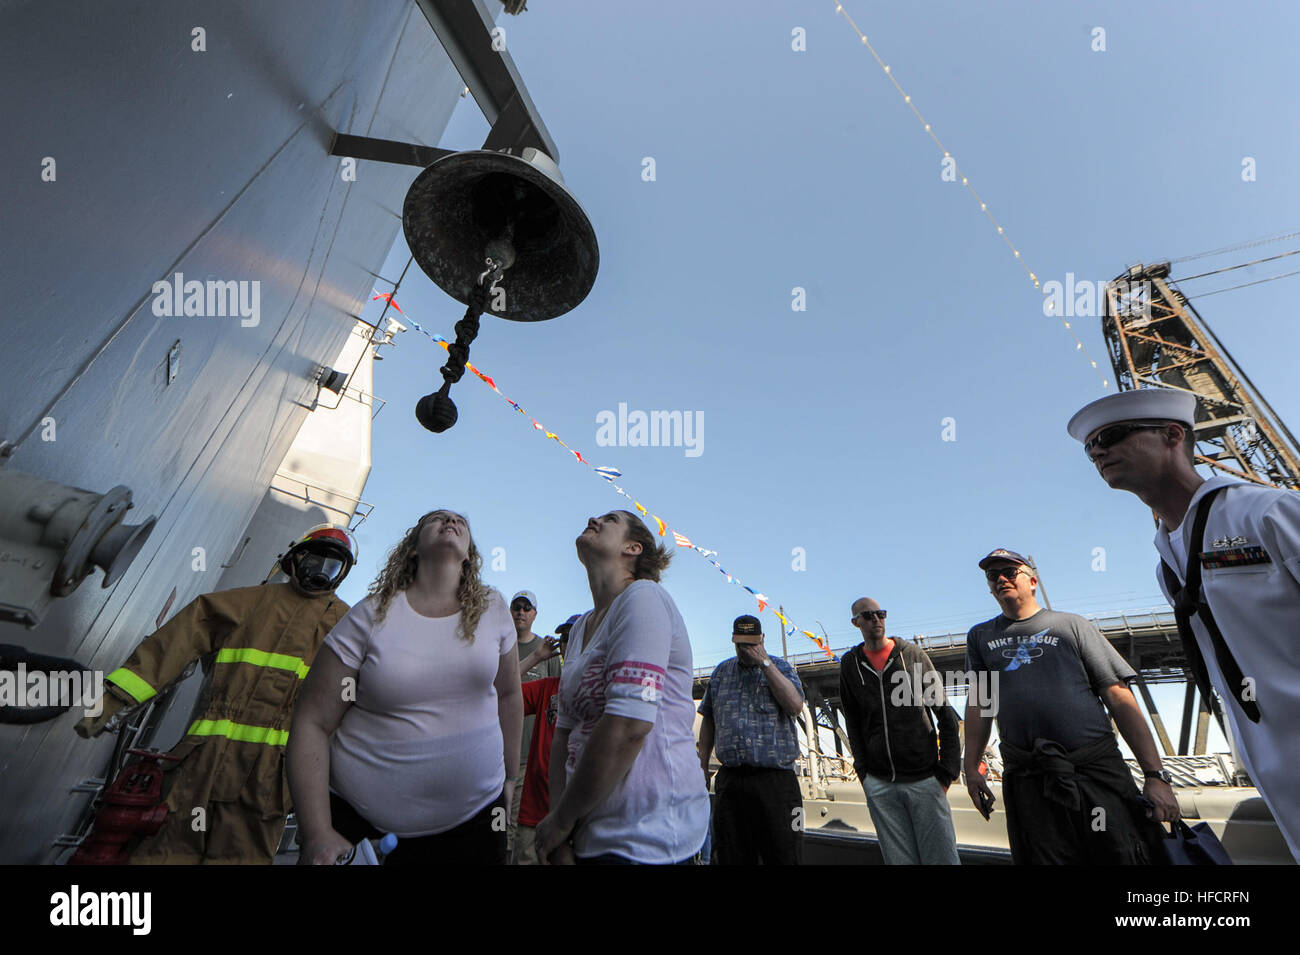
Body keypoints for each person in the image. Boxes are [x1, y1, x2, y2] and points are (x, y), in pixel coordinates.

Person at [1068, 388, 1300, 861]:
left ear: (1173, 435)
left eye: (1111, 436)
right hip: (1275, 770)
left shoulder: (1269, 513)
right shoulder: (1167, 563)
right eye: (1090, 446)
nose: (1097, 452)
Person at [74, 525, 356, 864]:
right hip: (202, 764)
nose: (319, 571)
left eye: (331, 566)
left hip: (269, 780)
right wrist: (116, 699)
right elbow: (175, 642)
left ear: (342, 575)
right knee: (164, 855)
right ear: (293, 559)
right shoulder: (244, 603)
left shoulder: (348, 627)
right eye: (314, 559)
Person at [287, 509, 522, 865]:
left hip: (475, 825)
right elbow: (312, 722)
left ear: (470, 556)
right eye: (436, 519)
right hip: (362, 829)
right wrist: (317, 832)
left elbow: (508, 694)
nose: (450, 521)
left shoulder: (494, 608)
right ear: (412, 549)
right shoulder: (371, 614)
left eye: (460, 521)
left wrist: (509, 777)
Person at [963, 549, 1180, 865]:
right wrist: (971, 768)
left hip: (1094, 771)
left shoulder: (1072, 626)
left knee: (1120, 854)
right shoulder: (980, 636)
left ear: (1033, 580)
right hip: (1029, 778)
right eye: (993, 576)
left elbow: (1118, 697)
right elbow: (980, 704)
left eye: (1010, 572)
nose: (1001, 579)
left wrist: (1155, 776)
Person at [535, 511, 710, 865]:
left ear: (633, 547)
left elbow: (629, 726)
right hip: (586, 834)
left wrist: (562, 820)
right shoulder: (582, 627)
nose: (592, 518)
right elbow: (563, 736)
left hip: (646, 836)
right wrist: (560, 833)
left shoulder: (644, 597)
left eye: (610, 519)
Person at [838, 597, 962, 864]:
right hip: (880, 784)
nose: (876, 620)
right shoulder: (850, 665)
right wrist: (864, 774)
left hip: (925, 780)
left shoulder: (913, 656)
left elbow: (945, 713)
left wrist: (947, 772)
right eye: (868, 615)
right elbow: (853, 722)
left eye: (880, 614)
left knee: (941, 859)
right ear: (855, 622)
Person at [697, 614, 806, 865]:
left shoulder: (783, 668)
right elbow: (709, 719)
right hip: (732, 780)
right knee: (730, 855)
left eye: (752, 643)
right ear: (733, 642)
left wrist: (765, 663)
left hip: (776, 781)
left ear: (763, 639)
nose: (747, 650)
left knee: (783, 853)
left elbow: (795, 706)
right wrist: (702, 764)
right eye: (741, 644)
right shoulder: (721, 672)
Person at [512, 613, 581, 865]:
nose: (567, 643)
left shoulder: (601, 692)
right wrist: (536, 657)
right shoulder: (547, 688)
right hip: (533, 815)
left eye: (574, 637)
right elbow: (500, 691)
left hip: (577, 820)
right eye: (564, 638)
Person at [507, 589, 562, 859]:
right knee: (504, 830)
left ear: (535, 614)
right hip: (502, 754)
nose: (521, 611)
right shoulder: (502, 647)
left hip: (533, 758)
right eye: (517, 606)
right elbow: (495, 689)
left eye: (527, 608)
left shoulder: (550, 652)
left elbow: (559, 699)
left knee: (525, 831)